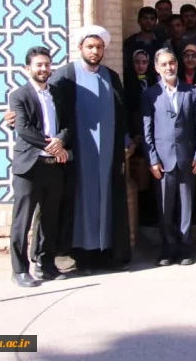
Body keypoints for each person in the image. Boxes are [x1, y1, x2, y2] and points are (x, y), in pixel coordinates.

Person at [49, 25, 131, 273]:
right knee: (80, 201)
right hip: (78, 154)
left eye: (98, 47)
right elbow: (44, 106)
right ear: (80, 48)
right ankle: (80, 253)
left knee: (107, 199)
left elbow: (121, 112)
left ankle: (106, 252)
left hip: (107, 155)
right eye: (90, 47)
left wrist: (126, 140)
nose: (95, 51)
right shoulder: (65, 76)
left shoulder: (111, 76)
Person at [9, 47, 70, 287]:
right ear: (28, 69)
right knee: (22, 220)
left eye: (47, 64)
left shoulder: (56, 93)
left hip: (53, 166)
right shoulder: (19, 96)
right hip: (29, 167)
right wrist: (54, 146)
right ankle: (19, 269)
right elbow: (24, 129)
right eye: (38, 65)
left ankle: (46, 265)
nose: (44, 69)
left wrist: (61, 140)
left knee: (49, 219)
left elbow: (67, 124)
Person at [141, 49, 196, 267]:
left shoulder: (192, 91)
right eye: (164, 64)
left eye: (172, 63)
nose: (169, 67)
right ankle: (168, 248)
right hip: (162, 160)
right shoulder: (151, 94)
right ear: (157, 68)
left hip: (187, 158)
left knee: (186, 206)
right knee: (165, 207)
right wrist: (152, 159)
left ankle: (186, 247)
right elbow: (146, 130)